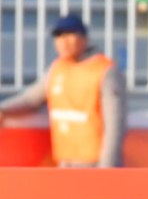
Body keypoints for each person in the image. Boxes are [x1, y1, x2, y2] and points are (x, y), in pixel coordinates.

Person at [0, 13, 125, 167]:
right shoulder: (57, 68)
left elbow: (114, 123)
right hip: (65, 160)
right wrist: (3, 110)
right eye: (59, 36)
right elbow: (31, 100)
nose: (63, 42)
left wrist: (107, 167)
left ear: (84, 38)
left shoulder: (104, 70)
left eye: (69, 35)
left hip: (93, 162)